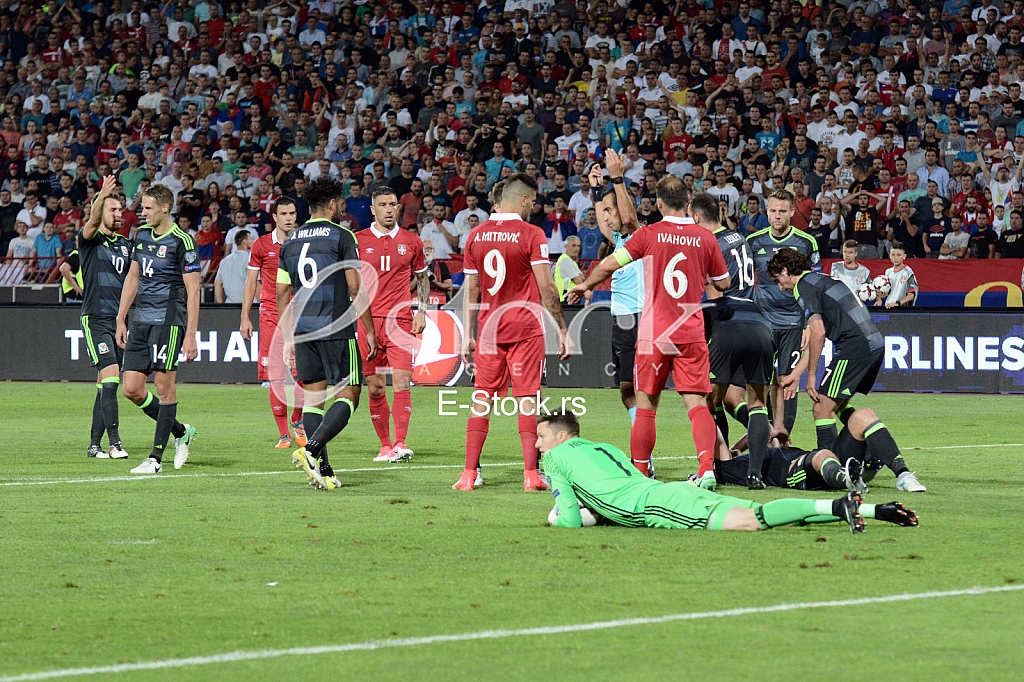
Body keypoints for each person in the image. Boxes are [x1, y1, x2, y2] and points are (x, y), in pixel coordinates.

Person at [569, 167, 731, 486]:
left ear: (658, 203)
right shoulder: (705, 238)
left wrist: (587, 284)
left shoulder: (650, 234)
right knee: (696, 403)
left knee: (646, 403)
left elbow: (611, 264)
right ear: (688, 200)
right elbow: (724, 282)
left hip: (654, 331)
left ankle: (641, 473)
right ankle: (707, 469)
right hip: (690, 331)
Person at [538, 411, 870, 534]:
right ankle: (859, 508)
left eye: (542, 437)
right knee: (756, 513)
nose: (538, 445)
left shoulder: (555, 459)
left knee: (751, 521)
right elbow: (623, 487)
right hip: (670, 491)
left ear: (562, 437)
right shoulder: (603, 448)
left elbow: (567, 520)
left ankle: (842, 506)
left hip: (657, 506)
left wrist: (561, 515)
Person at [767, 249, 925, 492]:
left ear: (787, 271)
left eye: (779, 279)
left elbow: (817, 332)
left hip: (854, 348)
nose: (781, 287)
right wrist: (796, 374)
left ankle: (832, 468)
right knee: (838, 406)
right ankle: (875, 458)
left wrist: (810, 376)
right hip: (874, 344)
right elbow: (821, 334)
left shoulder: (803, 287)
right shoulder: (824, 280)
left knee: (821, 407)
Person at [453, 173, 571, 492]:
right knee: (528, 401)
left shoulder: (475, 236)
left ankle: (467, 474)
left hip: (489, 331)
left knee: (481, 401)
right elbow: (547, 288)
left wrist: (467, 333)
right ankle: (531, 475)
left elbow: (472, 290)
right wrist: (562, 329)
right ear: (521, 200)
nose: (533, 206)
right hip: (525, 329)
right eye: (532, 201)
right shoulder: (532, 234)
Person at [277, 177, 378, 491]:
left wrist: (290, 336)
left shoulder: (290, 241)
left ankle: (325, 470)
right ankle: (310, 451)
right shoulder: (342, 235)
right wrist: (370, 330)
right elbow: (353, 286)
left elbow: (282, 293)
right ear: (332, 204)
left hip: (304, 330)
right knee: (350, 395)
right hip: (335, 327)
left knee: (313, 399)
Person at [690, 191, 774, 489]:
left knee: (707, 399)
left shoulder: (709, 243)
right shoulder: (739, 238)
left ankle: (716, 465)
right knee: (757, 402)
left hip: (729, 322)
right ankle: (755, 474)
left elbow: (716, 294)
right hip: (759, 323)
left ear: (697, 218)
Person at [116, 184, 200, 475]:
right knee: (131, 389)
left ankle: (155, 459)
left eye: (148, 207)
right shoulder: (140, 236)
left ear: (165, 208)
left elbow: (193, 291)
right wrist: (121, 318)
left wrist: (190, 333)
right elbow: (133, 277)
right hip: (140, 321)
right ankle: (181, 431)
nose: (143, 212)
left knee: (164, 389)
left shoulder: (182, 241)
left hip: (169, 322)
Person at [715, 407, 921, 521]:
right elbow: (717, 438)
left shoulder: (752, 457)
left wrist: (739, 447)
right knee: (821, 455)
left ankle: (902, 475)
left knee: (863, 416)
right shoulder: (729, 469)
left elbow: (765, 430)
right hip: (793, 471)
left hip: (819, 460)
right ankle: (847, 478)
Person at [356, 187, 430, 464]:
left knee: (402, 382)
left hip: (400, 321)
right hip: (368, 321)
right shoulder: (357, 240)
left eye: (393, 204)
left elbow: (423, 278)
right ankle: (384, 445)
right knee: (375, 387)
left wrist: (421, 311)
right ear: (373, 209)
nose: (389, 209)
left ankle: (400, 443)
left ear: (398, 208)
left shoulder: (412, 241)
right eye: (383, 204)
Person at [747, 189, 820, 438]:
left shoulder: (806, 243)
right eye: (773, 211)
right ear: (767, 212)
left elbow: (813, 284)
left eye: (782, 211)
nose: (777, 216)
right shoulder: (754, 242)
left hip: (792, 322)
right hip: (762, 322)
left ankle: (784, 434)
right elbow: (747, 283)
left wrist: (810, 323)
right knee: (763, 379)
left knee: (787, 380)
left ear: (791, 212)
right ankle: (764, 432)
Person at [72, 176, 133, 460]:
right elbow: (92, 222)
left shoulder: (125, 246)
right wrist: (100, 197)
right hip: (95, 318)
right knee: (111, 379)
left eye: (120, 210)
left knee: (104, 383)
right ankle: (115, 443)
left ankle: (94, 445)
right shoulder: (90, 241)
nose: (118, 214)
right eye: (112, 210)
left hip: (118, 321)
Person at [240, 197, 305, 449]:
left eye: (292, 213)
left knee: (302, 373)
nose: (289, 217)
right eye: (284, 213)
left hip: (299, 315)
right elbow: (250, 282)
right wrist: (245, 316)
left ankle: (297, 419)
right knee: (276, 376)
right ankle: (284, 434)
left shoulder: (304, 243)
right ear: (275, 217)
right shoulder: (262, 245)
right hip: (270, 316)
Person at [590, 158, 644, 427]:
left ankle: (644, 456)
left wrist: (617, 178)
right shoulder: (620, 241)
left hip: (638, 320)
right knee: (627, 392)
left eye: (610, 210)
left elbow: (630, 218)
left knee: (640, 393)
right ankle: (644, 453)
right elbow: (603, 226)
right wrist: (597, 193)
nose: (606, 215)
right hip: (622, 322)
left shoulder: (637, 235)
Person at [214, 231, 252, 303]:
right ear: (244, 242)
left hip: (230, 305)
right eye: (250, 239)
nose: (252, 241)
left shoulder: (224, 261)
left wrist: (220, 305)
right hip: (248, 304)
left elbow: (218, 283)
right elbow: (254, 282)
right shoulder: (250, 259)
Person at [552, 235, 591, 303]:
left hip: (571, 298)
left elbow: (584, 278)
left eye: (578, 246)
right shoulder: (565, 260)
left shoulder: (572, 262)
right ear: (566, 246)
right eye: (573, 245)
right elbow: (579, 281)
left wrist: (581, 278)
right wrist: (580, 278)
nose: (576, 249)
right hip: (566, 298)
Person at [878, 242, 918, 308]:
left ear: (904, 256)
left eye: (899, 255)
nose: (895, 258)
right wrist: (882, 295)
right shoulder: (888, 272)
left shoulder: (908, 272)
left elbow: (911, 295)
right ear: (890, 256)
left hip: (902, 311)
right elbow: (888, 293)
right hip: (888, 307)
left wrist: (898, 303)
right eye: (893, 255)